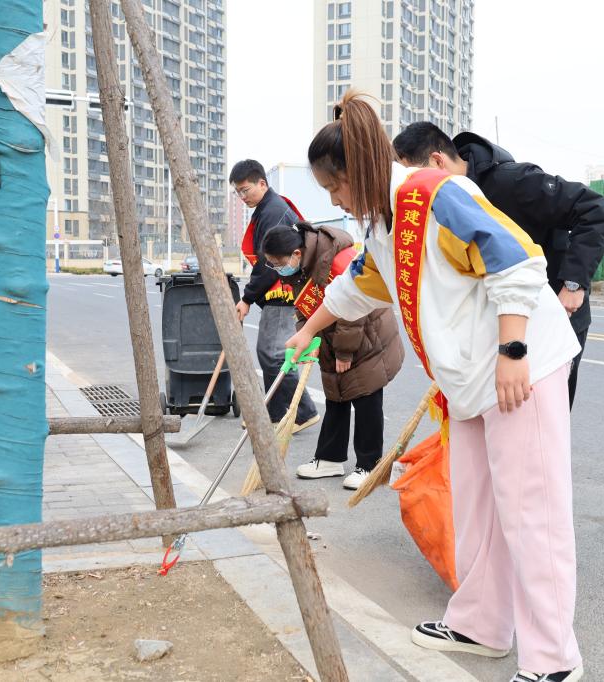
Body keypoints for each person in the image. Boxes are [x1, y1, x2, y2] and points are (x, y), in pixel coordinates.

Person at [287, 93, 584, 682]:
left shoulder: (433, 193)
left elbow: (516, 259)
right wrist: (308, 329)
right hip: (470, 378)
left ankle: (555, 661)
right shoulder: (381, 220)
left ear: (356, 171)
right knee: (476, 509)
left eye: (334, 187)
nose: (335, 200)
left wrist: (513, 352)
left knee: (533, 513)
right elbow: (362, 283)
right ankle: (481, 624)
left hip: (517, 366)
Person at [393, 122, 604, 407]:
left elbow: (594, 210)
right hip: (502, 320)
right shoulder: (441, 204)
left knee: (544, 415)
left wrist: (574, 283)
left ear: (437, 161)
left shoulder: (513, 183)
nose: (411, 189)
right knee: (503, 416)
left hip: (555, 315)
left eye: (414, 176)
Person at [261, 221, 403, 489]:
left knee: (366, 397)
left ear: (296, 253)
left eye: (278, 263)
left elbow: (354, 309)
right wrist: (308, 337)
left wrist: (344, 351)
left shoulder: (337, 259)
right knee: (335, 394)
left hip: (367, 336)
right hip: (331, 337)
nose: (278, 269)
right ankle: (330, 458)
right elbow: (304, 306)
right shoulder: (300, 269)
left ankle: (369, 465)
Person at [229, 159, 319, 431]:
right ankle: (275, 413)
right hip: (278, 291)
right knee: (269, 353)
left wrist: (247, 298)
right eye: (238, 192)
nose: (243, 197)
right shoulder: (267, 209)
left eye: (245, 190)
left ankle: (302, 412)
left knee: (274, 354)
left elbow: (269, 263)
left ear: (262, 183)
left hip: (283, 292)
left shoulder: (273, 211)